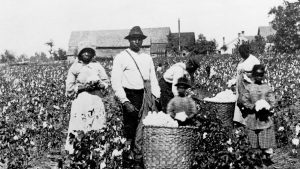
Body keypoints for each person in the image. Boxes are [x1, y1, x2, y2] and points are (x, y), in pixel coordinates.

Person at [111, 26, 160, 169]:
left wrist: (156, 96)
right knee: (129, 129)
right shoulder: (121, 57)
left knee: (143, 127)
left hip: (144, 95)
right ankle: (127, 159)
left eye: (139, 39)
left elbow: (153, 78)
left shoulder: (147, 58)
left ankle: (139, 158)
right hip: (129, 95)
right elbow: (116, 81)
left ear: (142, 41)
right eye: (134, 39)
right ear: (129, 40)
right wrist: (125, 101)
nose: (137, 41)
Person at [64, 44, 109, 154]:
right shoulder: (75, 68)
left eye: (89, 51)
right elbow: (69, 89)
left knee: (97, 125)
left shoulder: (97, 66)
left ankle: (96, 153)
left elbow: (106, 82)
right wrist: (84, 87)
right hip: (81, 101)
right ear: (79, 53)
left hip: (96, 99)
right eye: (84, 51)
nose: (87, 53)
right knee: (80, 125)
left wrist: (100, 85)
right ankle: (78, 152)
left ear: (93, 54)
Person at [239, 64, 276, 166]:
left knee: (263, 141)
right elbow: (244, 100)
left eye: (261, 75)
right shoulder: (251, 87)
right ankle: (257, 160)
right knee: (255, 142)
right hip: (255, 119)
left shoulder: (264, 87)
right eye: (257, 75)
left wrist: (266, 107)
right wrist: (253, 106)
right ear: (254, 76)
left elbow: (272, 101)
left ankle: (263, 159)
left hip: (260, 118)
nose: (259, 77)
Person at [233, 43, 260, 126]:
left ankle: (252, 122)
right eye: (241, 54)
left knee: (249, 103)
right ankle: (243, 122)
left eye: (243, 53)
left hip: (250, 86)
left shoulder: (254, 60)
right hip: (241, 86)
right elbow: (238, 72)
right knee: (241, 103)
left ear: (247, 52)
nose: (242, 55)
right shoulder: (242, 60)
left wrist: (247, 73)